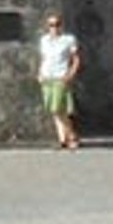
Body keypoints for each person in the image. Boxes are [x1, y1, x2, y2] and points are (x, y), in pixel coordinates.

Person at [36, 8, 84, 149]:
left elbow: (76, 59)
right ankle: (62, 139)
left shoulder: (68, 40)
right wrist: (40, 73)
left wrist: (70, 74)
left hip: (60, 76)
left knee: (58, 108)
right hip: (47, 77)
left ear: (61, 25)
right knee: (55, 110)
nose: (54, 28)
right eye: (51, 25)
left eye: (57, 24)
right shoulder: (44, 40)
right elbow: (44, 58)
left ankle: (73, 136)